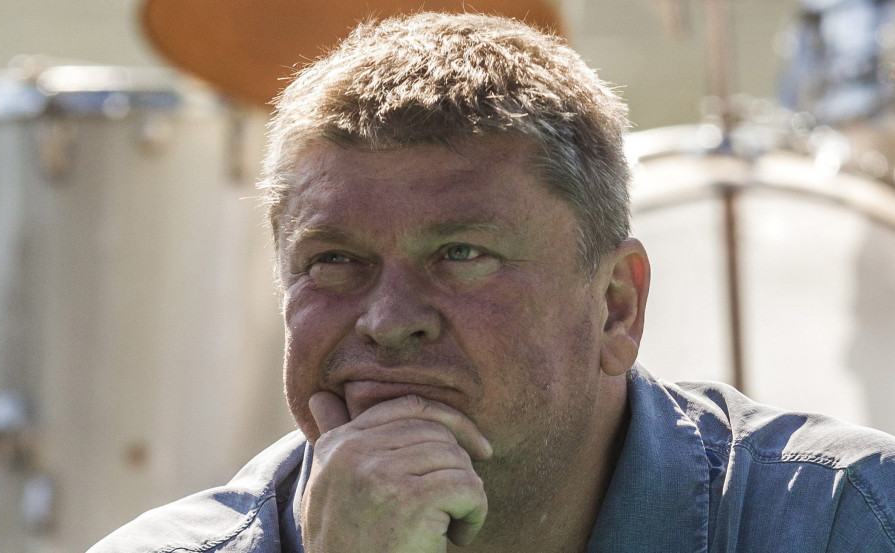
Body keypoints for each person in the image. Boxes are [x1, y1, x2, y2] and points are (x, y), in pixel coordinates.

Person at [89, 11, 895, 553]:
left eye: (460, 253)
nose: (387, 320)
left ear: (616, 306)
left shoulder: (850, 519)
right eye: (333, 260)